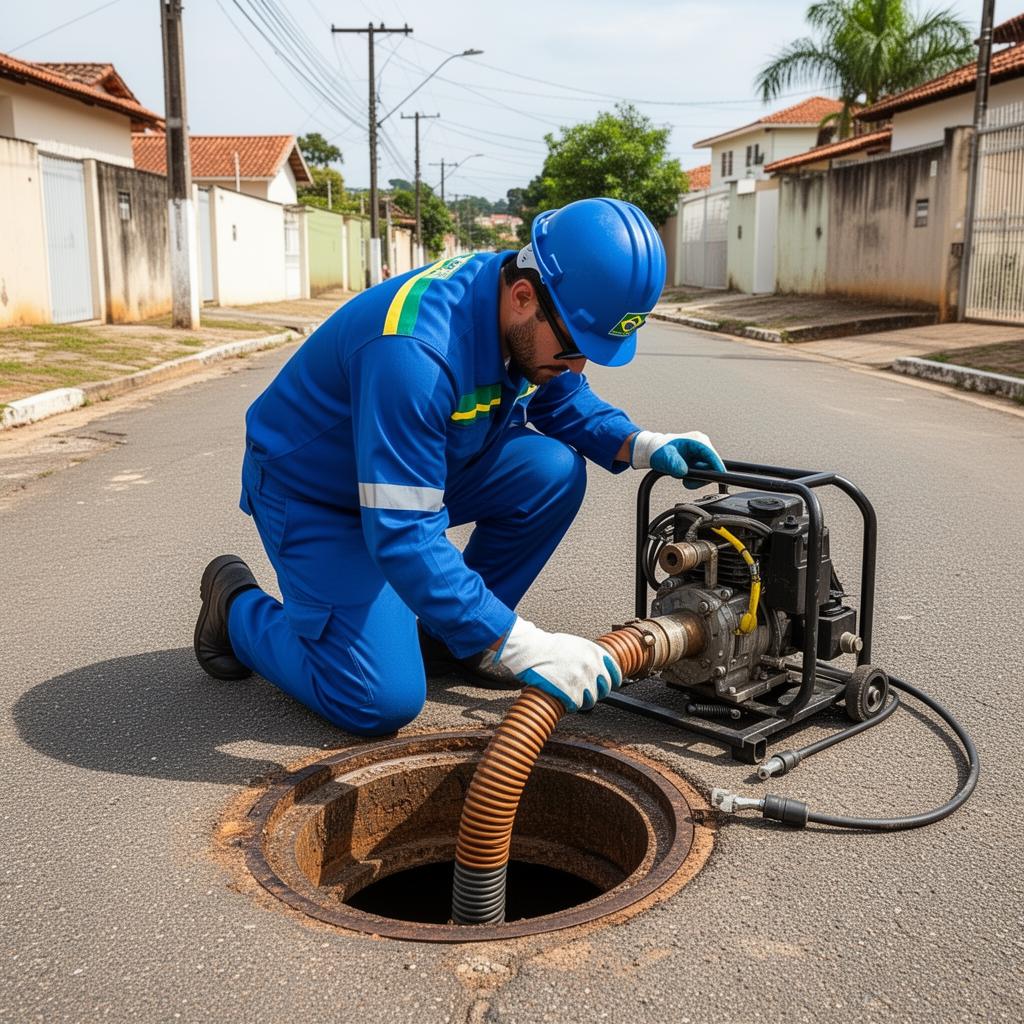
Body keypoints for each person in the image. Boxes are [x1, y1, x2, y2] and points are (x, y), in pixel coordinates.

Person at [194, 197, 725, 736]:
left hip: (413, 472)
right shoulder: (414, 351)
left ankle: (453, 636)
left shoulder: (520, 296)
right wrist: (524, 645)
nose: (578, 366)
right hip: (317, 496)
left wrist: (644, 443)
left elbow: (560, 398)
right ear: (523, 298)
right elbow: (402, 531)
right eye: (573, 349)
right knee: (378, 698)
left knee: (551, 471)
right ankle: (234, 609)